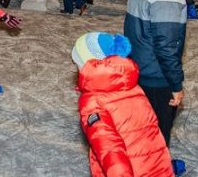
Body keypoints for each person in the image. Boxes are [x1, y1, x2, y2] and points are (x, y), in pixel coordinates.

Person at [72, 32, 175, 177]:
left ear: (88, 65)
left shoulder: (93, 102)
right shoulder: (132, 86)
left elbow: (110, 150)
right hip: (158, 166)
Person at [124, 0, 188, 146]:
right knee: (159, 133)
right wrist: (176, 84)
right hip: (158, 76)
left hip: (139, 70)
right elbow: (166, 46)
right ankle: (158, 162)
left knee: (143, 128)